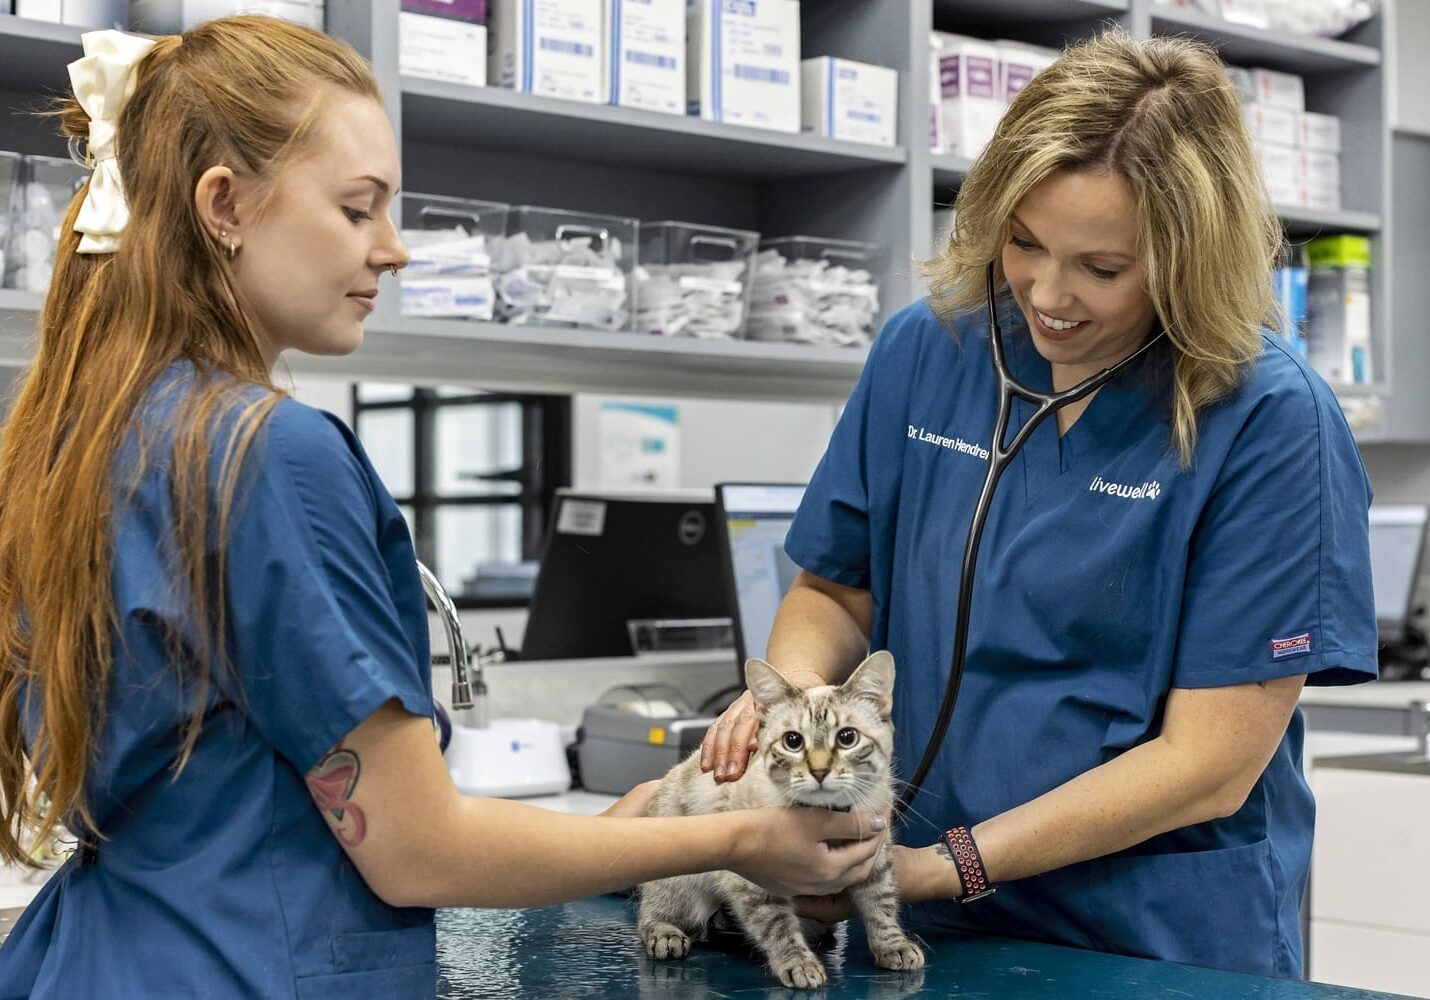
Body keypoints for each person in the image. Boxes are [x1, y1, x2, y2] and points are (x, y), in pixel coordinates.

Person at [0, 19, 887, 998]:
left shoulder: (86, 437)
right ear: (225, 204)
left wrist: (605, 834)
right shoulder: (270, 455)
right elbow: (414, 852)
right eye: (357, 209)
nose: (395, 250)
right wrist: (743, 837)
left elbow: (229, 789)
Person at [700, 30, 1376, 980]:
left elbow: (1210, 763)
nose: (1048, 296)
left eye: (1103, 269)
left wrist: (946, 867)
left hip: (1153, 935)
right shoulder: (929, 348)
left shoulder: (1269, 419)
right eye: (1024, 243)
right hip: (917, 918)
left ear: (1192, 256)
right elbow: (835, 589)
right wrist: (790, 711)